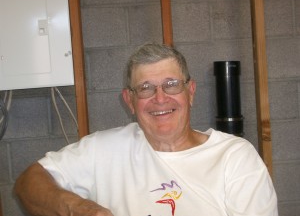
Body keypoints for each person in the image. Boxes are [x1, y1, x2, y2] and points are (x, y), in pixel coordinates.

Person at [14, 42, 278, 216]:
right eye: (146, 88)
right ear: (129, 101)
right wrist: (79, 208)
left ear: (191, 92)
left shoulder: (234, 157)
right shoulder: (102, 149)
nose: (160, 98)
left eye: (171, 84)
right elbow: (28, 182)